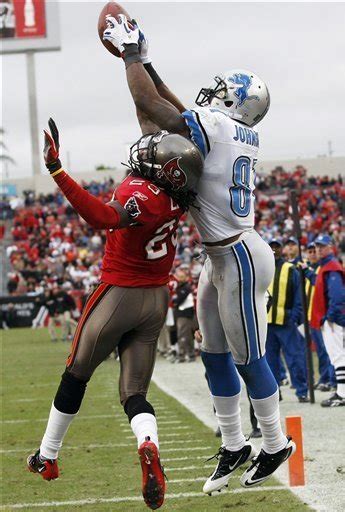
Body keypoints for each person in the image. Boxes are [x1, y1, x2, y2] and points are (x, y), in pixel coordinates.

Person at [103, 16, 295, 492]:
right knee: (213, 354)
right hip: (221, 256)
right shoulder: (227, 129)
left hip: (241, 257)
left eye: (222, 89)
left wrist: (130, 56)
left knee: (248, 356)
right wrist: (146, 61)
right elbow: (171, 108)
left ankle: (275, 443)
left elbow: (153, 107)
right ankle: (233, 444)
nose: (212, 94)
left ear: (236, 101)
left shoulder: (217, 128)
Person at [27, 119, 203, 511]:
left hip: (120, 294)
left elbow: (104, 217)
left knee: (76, 373)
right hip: (157, 299)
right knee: (134, 393)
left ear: (166, 170)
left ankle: (48, 456)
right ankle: (148, 444)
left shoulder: (140, 191)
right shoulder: (180, 196)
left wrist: (58, 172)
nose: (145, 155)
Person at [265, 239, 309, 403]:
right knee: (270, 361)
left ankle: (302, 390)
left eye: (277, 247)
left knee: (295, 357)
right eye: (272, 247)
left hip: (286, 322)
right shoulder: (262, 268)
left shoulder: (290, 269)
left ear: (282, 250)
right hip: (267, 322)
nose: (274, 250)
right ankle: (275, 391)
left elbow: (299, 295)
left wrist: (294, 316)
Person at [310, 235, 345, 407]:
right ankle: (341, 391)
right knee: (337, 356)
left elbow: (338, 296)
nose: (319, 249)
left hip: (334, 320)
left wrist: (329, 317)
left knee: (338, 356)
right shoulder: (326, 266)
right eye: (317, 246)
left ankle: (342, 394)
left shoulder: (331, 267)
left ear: (331, 247)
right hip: (333, 319)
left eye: (322, 246)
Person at [305, 242, 336, 391]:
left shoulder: (322, 269)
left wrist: (307, 272)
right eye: (310, 251)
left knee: (327, 351)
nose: (313, 254)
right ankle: (325, 378)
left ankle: (332, 380)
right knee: (320, 351)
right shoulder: (310, 269)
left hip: (322, 317)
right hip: (312, 317)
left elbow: (318, 284)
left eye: (314, 251)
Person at [172, 266, 196, 363]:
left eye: (180, 276)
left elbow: (178, 300)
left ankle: (182, 355)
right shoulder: (181, 286)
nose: (178, 277)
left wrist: (174, 301)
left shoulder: (186, 287)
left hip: (184, 314)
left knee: (182, 335)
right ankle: (190, 354)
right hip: (183, 314)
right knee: (187, 335)